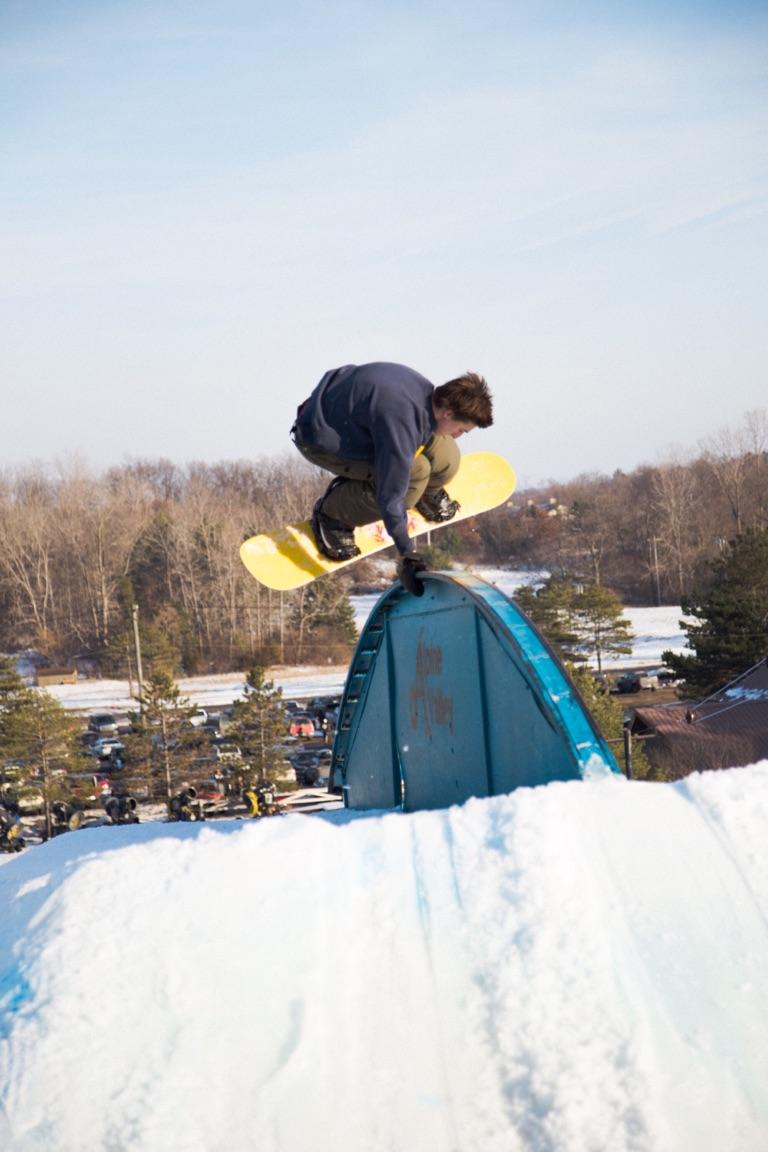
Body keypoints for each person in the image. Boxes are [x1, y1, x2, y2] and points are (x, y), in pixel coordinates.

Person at [291, 362, 493, 595]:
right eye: (461, 429)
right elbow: (391, 497)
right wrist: (407, 553)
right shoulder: (401, 422)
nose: (458, 436)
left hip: (351, 419)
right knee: (415, 473)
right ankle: (334, 514)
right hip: (320, 439)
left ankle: (426, 493)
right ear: (448, 412)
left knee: (447, 458)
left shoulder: (425, 391)